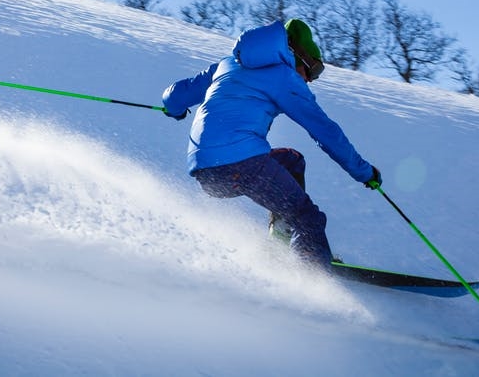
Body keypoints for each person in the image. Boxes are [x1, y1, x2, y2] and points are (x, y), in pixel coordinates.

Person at [162, 18, 381, 270]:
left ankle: (280, 245)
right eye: (314, 70)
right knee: (307, 218)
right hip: (242, 163)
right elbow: (325, 131)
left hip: (206, 173)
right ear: (298, 56)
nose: (311, 80)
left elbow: (175, 96)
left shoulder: (227, 64)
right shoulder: (284, 77)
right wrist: (364, 172)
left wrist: (174, 110)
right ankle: (312, 274)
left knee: (291, 160)